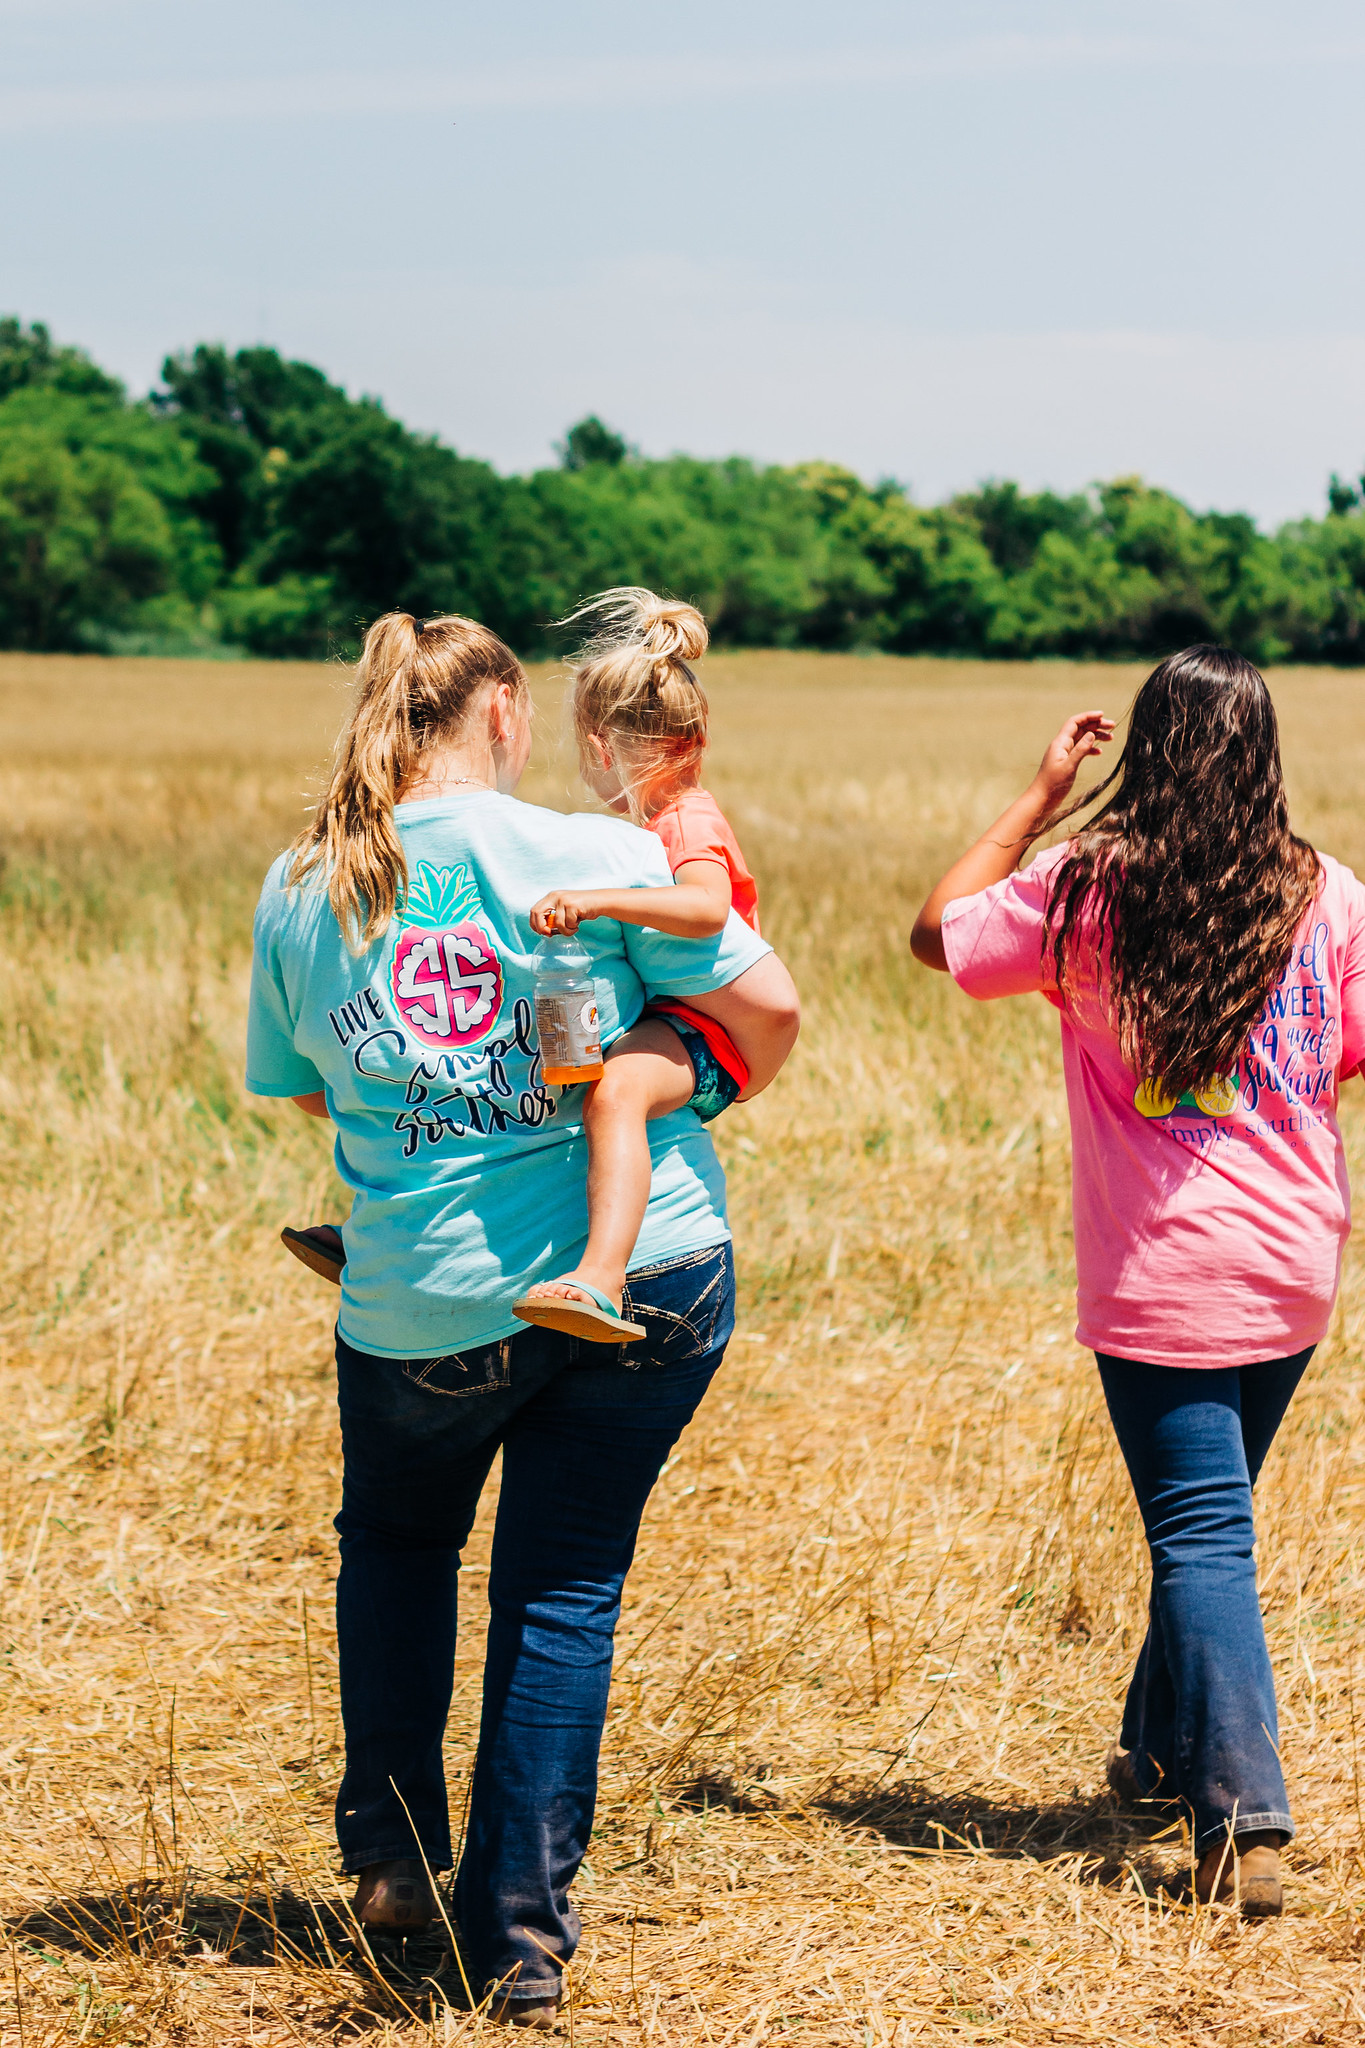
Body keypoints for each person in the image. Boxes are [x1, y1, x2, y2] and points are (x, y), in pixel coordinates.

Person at [246, 611, 799, 2025]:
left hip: (418, 1298)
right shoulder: (602, 855)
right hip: (646, 1282)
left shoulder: (303, 886)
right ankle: (521, 1943)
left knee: (397, 1547)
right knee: (561, 1590)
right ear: (503, 717)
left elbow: (307, 1085)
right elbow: (771, 1011)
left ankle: (389, 1861)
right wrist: (686, 1074)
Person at [910, 644, 1365, 1919]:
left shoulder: (1083, 890)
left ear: (1147, 749)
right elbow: (1350, 1050)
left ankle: (1245, 1818)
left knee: (1203, 1532)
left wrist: (1038, 800)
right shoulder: (1329, 893)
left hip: (1166, 1274)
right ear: (1265, 753)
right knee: (1207, 1516)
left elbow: (933, 933)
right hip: (1291, 1265)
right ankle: (1160, 1753)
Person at [515, 586, 761, 1341]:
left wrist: (600, 900)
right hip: (676, 1019)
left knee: (614, 1094)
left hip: (706, 1033)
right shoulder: (659, 818)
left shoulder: (686, 818)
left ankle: (601, 1278)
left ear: (599, 747)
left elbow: (706, 908)